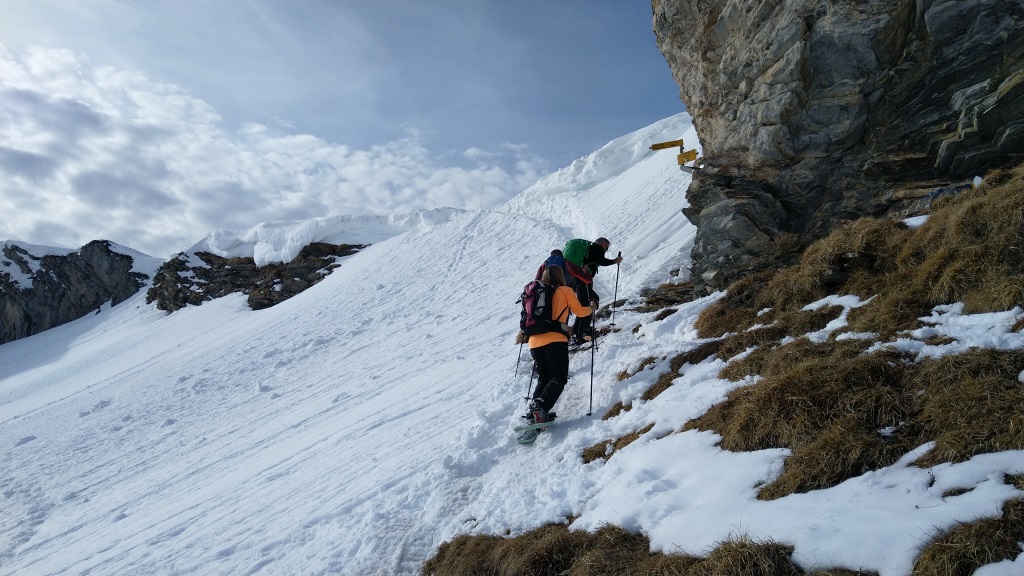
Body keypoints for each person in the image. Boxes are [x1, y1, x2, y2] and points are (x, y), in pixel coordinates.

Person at [527, 265, 591, 424]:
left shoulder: (537, 292)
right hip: (555, 340)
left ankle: (534, 412)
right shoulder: (565, 290)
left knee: (544, 377)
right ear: (560, 276)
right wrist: (591, 308)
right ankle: (541, 405)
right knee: (558, 377)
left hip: (534, 342)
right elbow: (580, 312)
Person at [570, 237, 622, 345]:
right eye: (606, 247)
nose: (605, 250)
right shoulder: (596, 248)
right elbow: (601, 261)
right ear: (602, 243)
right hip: (583, 279)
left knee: (592, 300)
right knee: (585, 304)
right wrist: (614, 261)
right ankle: (580, 333)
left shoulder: (590, 250)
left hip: (579, 279)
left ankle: (581, 330)